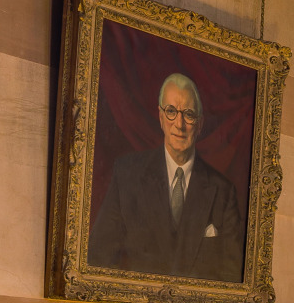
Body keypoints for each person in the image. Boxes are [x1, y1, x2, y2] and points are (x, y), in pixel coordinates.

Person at [89, 71, 245, 280]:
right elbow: (99, 258)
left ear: (199, 124)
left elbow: (232, 275)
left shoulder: (224, 192)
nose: (179, 124)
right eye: (171, 111)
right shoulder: (127, 175)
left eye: (188, 114)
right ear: (161, 117)